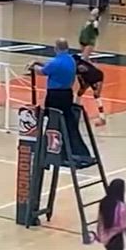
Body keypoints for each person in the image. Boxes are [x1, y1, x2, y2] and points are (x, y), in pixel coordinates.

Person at [29, 39, 90, 167]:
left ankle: (49, 151)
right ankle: (74, 151)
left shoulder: (56, 62)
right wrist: (40, 63)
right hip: (67, 94)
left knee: (52, 122)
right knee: (68, 122)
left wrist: (33, 66)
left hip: (55, 96)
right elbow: (50, 67)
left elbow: (42, 71)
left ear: (56, 48)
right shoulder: (71, 60)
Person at [73, 53, 107, 127]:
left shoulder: (80, 67)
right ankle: (75, 107)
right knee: (80, 92)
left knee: (96, 95)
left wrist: (85, 84)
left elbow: (83, 74)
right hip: (88, 78)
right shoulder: (79, 66)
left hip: (97, 77)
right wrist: (83, 85)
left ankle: (102, 118)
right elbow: (81, 77)